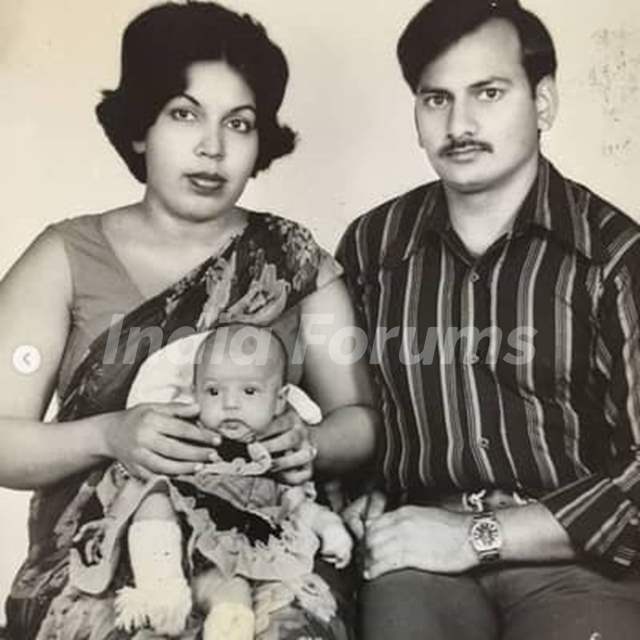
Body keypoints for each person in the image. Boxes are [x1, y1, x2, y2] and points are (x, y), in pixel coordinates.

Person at [0, 3, 377, 639]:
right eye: (184, 114)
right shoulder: (62, 258)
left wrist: (309, 443)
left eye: (240, 123)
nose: (212, 147)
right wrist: (109, 435)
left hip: (267, 549)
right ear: (139, 128)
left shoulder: (294, 260)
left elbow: (361, 422)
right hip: (101, 555)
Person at [337, 1, 640, 638]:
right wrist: (361, 495)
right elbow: (354, 415)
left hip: (575, 559)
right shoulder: (372, 246)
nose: (460, 123)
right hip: (418, 558)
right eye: (436, 99)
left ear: (544, 102)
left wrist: (480, 536)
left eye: (489, 92)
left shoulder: (614, 255)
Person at [70, 324, 353, 639]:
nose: (230, 404)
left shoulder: (275, 454)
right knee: (156, 496)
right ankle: (161, 586)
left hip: (240, 551)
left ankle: (229, 620)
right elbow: (142, 485)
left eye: (249, 391)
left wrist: (328, 527)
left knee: (231, 592)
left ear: (279, 400)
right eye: (214, 391)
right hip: (181, 546)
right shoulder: (186, 440)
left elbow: (294, 504)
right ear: (195, 393)